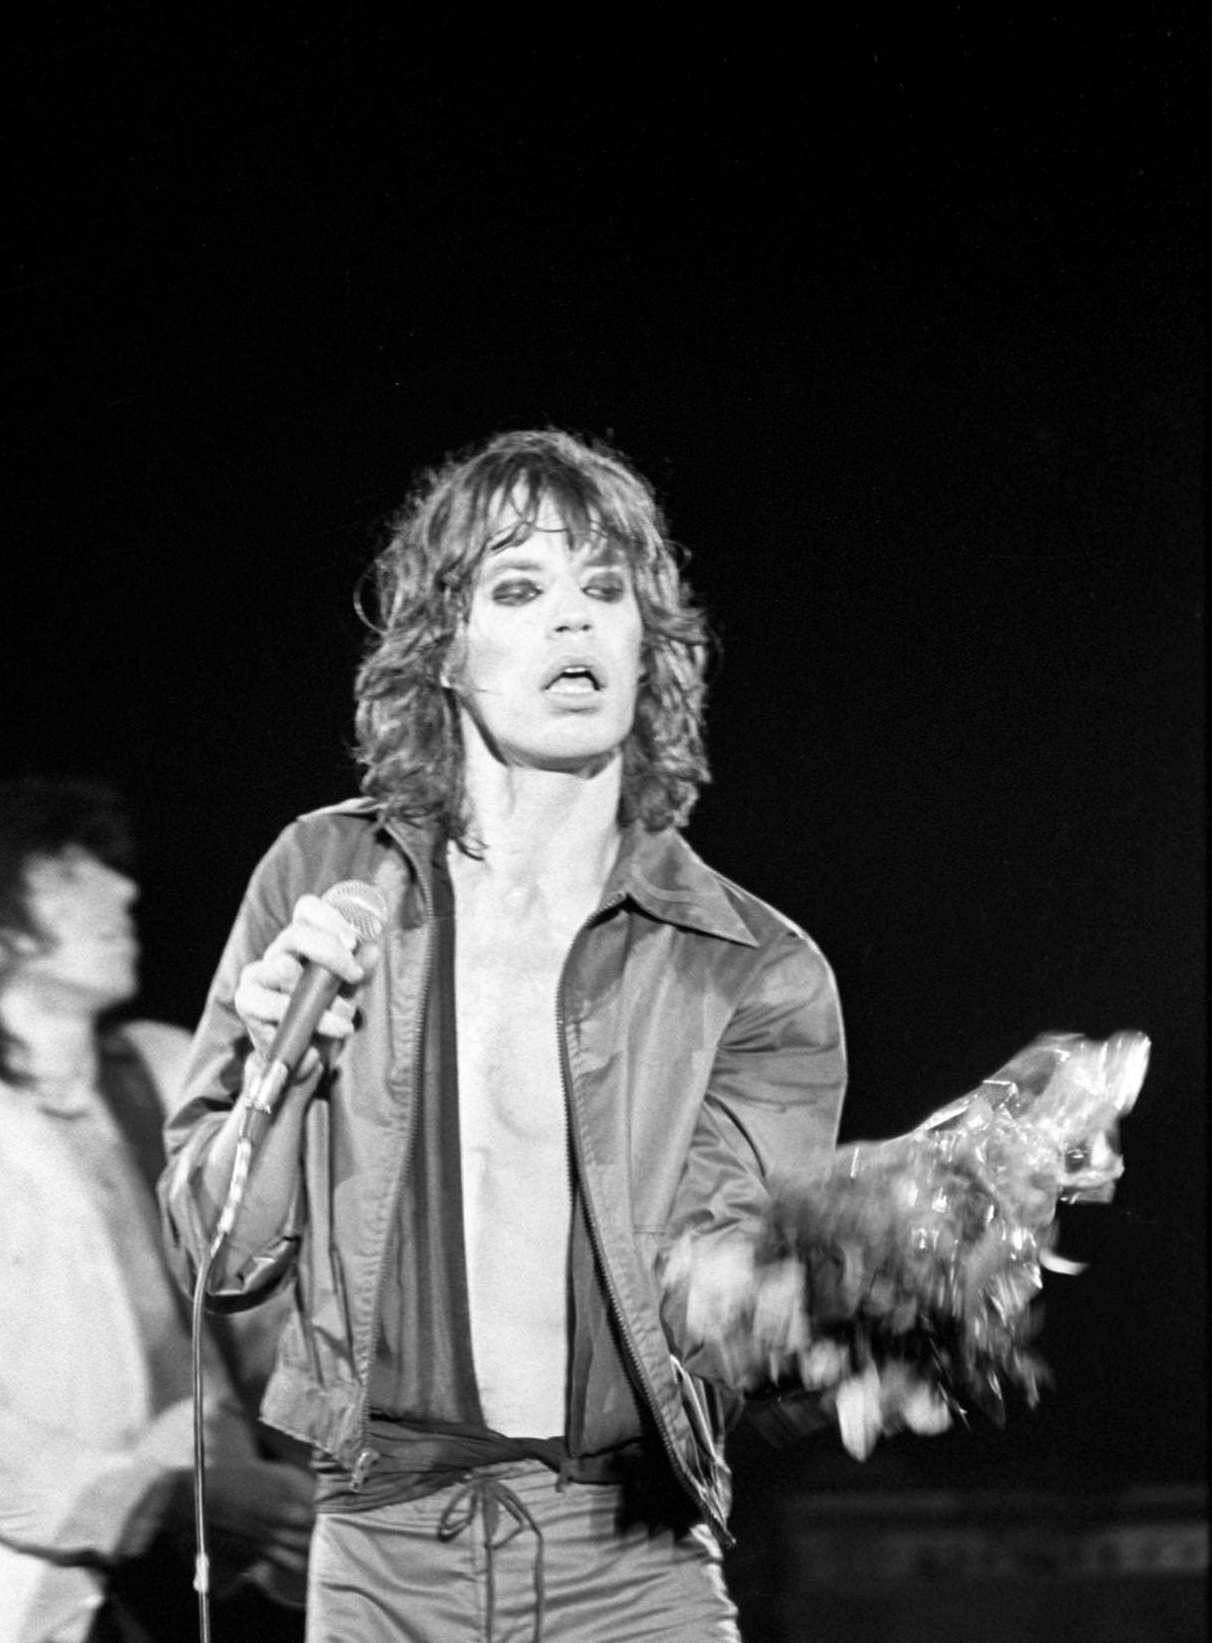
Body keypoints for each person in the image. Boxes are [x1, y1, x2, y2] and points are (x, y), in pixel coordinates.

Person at [158, 428, 936, 1642]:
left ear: (647, 643)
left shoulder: (750, 968)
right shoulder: (323, 875)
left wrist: (835, 1279)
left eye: (606, 590)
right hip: (377, 1549)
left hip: (626, 1560)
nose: (574, 621)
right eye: (521, 589)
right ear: (447, 651)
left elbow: (714, 1288)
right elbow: (217, 1254)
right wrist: (283, 1077)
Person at [0, 776, 317, 1643]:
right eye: (73, 871)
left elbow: (276, 1323)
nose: (124, 889)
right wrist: (152, 1500)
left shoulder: (169, 1068)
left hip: (239, 1575)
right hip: (36, 1600)